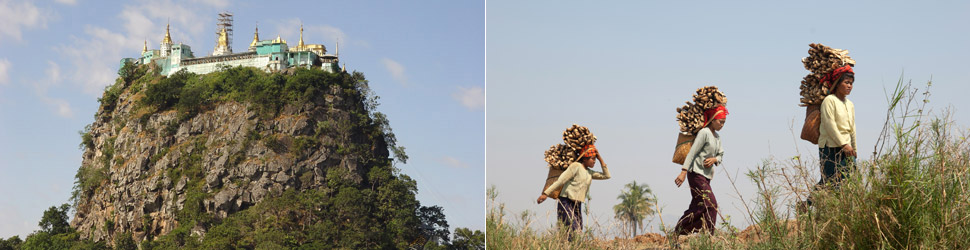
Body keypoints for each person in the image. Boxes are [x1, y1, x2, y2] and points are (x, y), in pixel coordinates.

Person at [806, 65, 856, 207]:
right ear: (837, 83)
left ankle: (822, 207)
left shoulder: (850, 104)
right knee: (829, 180)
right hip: (830, 147)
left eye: (851, 83)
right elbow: (830, 125)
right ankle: (810, 205)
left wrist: (853, 147)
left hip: (846, 149)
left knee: (847, 179)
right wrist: (844, 144)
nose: (849, 86)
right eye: (846, 82)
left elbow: (852, 128)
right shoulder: (829, 101)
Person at [537, 145, 610, 241]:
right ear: (584, 159)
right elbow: (561, 181)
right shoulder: (575, 166)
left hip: (577, 203)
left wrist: (600, 158)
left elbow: (606, 175)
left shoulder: (589, 173)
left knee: (579, 229)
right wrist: (545, 194)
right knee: (573, 227)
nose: (594, 161)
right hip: (566, 201)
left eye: (595, 159)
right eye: (592, 159)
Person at [674, 105, 727, 235]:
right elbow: (692, 152)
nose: (722, 125)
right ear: (713, 120)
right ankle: (709, 236)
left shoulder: (717, 137)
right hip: (695, 174)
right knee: (711, 205)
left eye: (724, 123)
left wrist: (714, 159)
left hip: (706, 177)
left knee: (698, 206)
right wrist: (683, 171)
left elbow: (721, 154)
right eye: (720, 122)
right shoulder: (704, 133)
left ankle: (680, 232)